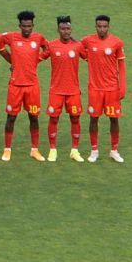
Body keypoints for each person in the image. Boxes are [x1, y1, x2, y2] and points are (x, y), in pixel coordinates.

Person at [0, 10, 47, 161]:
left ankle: (34, 150)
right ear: (20, 26)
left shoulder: (38, 38)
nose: (27, 29)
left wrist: (36, 59)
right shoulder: (12, 37)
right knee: (11, 118)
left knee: (34, 117)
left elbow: (48, 49)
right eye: (24, 26)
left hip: (32, 86)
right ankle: (7, 150)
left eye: (30, 26)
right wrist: (11, 60)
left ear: (33, 26)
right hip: (15, 86)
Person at [80, 14, 126, 161]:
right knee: (93, 119)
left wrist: (122, 87)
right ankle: (94, 151)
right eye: (99, 26)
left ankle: (114, 150)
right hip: (95, 89)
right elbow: (75, 47)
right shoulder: (88, 41)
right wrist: (88, 58)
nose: (102, 29)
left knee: (114, 119)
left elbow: (122, 65)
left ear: (108, 27)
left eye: (104, 26)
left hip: (112, 89)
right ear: (95, 27)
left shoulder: (117, 43)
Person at [42, 15, 85, 161]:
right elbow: (37, 59)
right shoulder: (52, 46)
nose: (66, 31)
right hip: (56, 91)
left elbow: (92, 58)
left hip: (73, 91)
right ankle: (52, 149)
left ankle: (74, 150)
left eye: (68, 28)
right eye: (62, 29)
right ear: (58, 29)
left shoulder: (78, 46)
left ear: (71, 29)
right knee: (53, 119)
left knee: (75, 119)